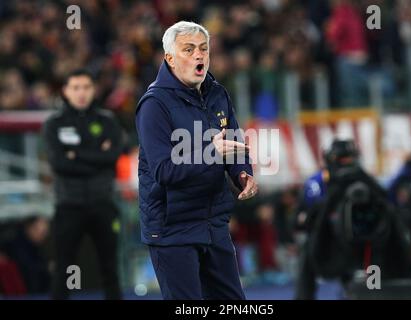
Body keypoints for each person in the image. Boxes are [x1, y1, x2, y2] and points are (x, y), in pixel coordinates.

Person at [135, 21, 258, 300]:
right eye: (188, 50)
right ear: (170, 58)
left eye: (203, 49)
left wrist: (242, 175)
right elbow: (164, 171)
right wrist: (211, 153)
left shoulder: (218, 94)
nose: (199, 55)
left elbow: (235, 146)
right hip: (171, 228)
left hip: (213, 222)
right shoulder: (154, 105)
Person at [295, 139, 411, 299]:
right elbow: (305, 218)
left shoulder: (365, 180)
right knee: (309, 253)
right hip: (332, 247)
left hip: (368, 246)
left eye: (349, 158)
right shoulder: (318, 183)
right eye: (342, 159)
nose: (346, 163)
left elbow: (389, 208)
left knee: (375, 266)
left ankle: (374, 293)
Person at [43, 69, 123, 300]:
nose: (81, 93)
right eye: (76, 88)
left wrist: (75, 155)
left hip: (103, 204)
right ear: (65, 91)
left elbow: (112, 159)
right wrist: (98, 155)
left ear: (93, 90)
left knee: (110, 267)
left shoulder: (107, 120)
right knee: (64, 268)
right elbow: (59, 164)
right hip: (69, 205)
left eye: (86, 87)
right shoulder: (54, 123)